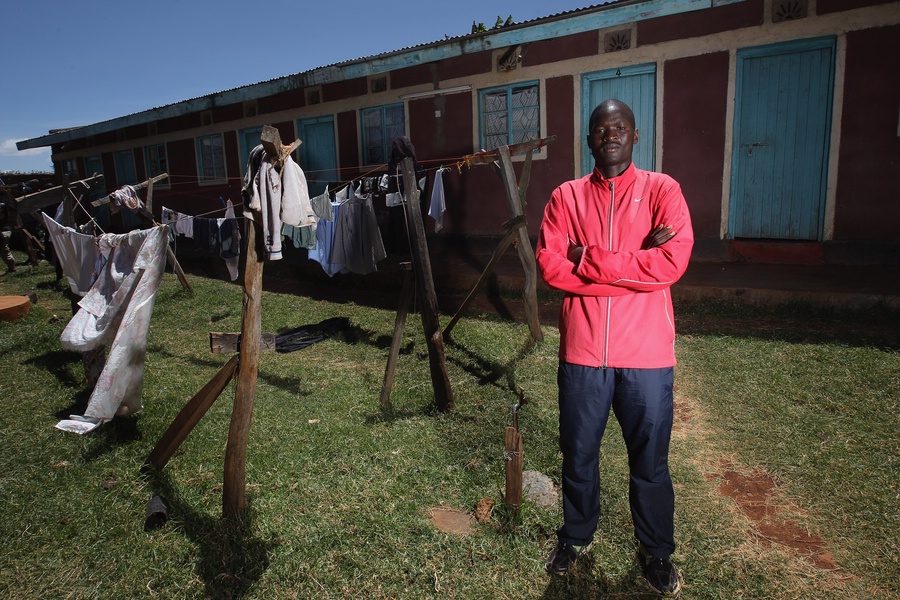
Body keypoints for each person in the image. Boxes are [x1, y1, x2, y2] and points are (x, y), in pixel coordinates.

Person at [535, 99, 693, 596]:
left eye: (619, 127)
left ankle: (657, 551)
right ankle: (576, 535)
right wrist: (633, 266)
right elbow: (551, 266)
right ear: (589, 140)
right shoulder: (565, 197)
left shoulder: (663, 190)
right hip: (584, 355)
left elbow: (671, 263)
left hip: (646, 357)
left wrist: (591, 261)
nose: (610, 135)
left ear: (635, 135)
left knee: (650, 462)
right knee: (578, 455)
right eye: (601, 129)